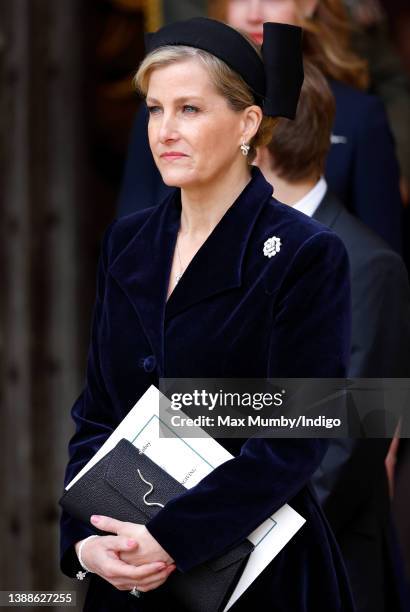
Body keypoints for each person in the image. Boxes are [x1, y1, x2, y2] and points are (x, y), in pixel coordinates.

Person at [60, 17, 354, 612]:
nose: (165, 130)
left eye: (190, 109)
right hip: (126, 568)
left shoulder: (305, 254)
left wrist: (171, 537)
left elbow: (292, 443)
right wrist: (85, 540)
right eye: (155, 110)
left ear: (248, 124)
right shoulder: (128, 242)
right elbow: (96, 415)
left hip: (256, 577)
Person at [256, 60, 410, 612]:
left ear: (256, 146)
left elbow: (346, 449)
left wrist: (233, 544)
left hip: (321, 574)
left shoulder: (370, 266)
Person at [117, 0, 403, 254]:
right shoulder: (165, 112)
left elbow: (379, 254)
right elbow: (132, 235)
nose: (255, 13)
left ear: (309, 5)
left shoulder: (359, 115)